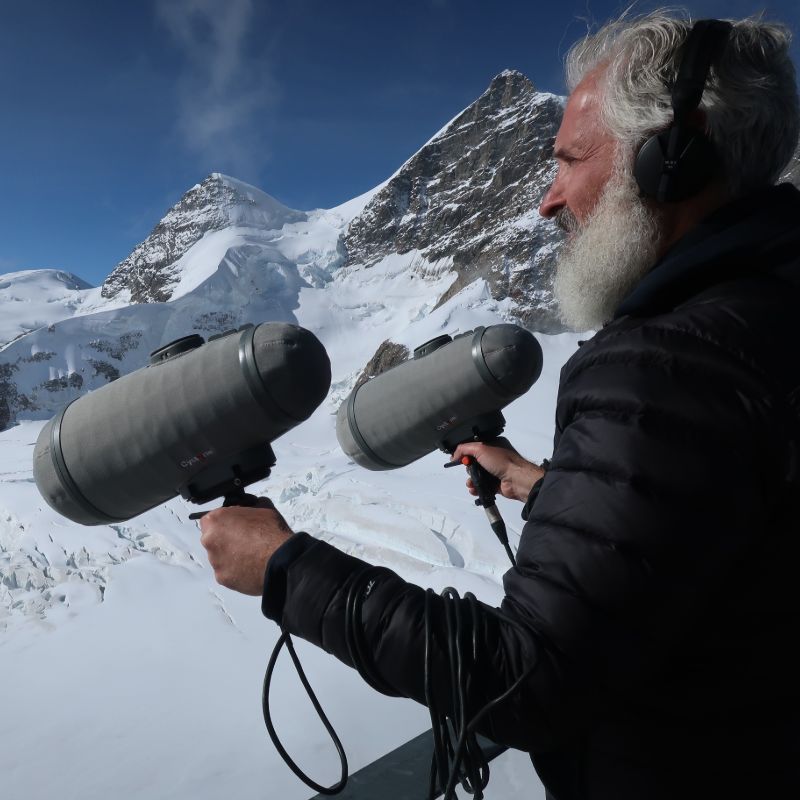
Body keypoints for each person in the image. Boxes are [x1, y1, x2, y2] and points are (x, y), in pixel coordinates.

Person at [199, 11, 800, 799]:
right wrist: (548, 486)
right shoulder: (767, 318)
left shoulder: (666, 368)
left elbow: (529, 679)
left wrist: (286, 570)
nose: (549, 202)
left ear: (670, 163)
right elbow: (723, 537)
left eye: (570, 160)